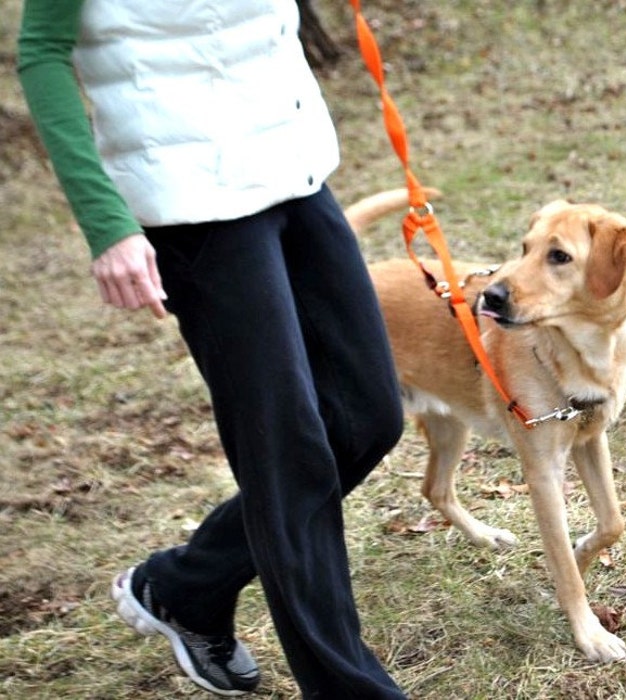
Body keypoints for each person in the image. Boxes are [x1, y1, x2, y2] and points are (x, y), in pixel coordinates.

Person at [17, 1, 408, 697]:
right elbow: (42, 52)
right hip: (188, 198)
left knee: (367, 417)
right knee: (287, 454)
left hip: (291, 162)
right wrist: (106, 221)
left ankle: (186, 586)